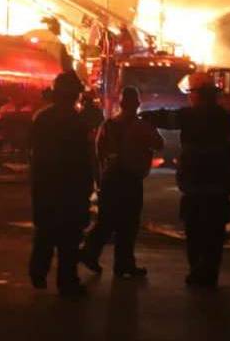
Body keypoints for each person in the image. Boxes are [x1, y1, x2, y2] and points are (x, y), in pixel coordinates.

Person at [143, 72, 230, 288]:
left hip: (195, 185)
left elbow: (166, 118)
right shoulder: (225, 118)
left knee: (195, 232)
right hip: (219, 187)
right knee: (214, 234)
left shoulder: (190, 116)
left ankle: (197, 272)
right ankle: (209, 274)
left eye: (191, 93)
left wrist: (142, 114)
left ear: (198, 95)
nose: (189, 97)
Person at [81, 86, 163, 278]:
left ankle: (90, 253)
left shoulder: (108, 125)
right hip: (130, 180)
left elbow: (98, 153)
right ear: (137, 104)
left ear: (121, 103)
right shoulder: (141, 126)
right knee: (128, 224)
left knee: (106, 221)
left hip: (110, 179)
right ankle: (123, 264)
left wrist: (100, 178)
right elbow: (159, 144)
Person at [28, 71, 95, 297]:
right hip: (71, 188)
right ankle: (67, 281)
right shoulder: (78, 122)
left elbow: (34, 153)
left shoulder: (42, 118)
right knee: (69, 238)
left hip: (46, 185)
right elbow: (85, 159)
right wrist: (89, 185)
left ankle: (38, 270)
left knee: (46, 231)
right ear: (75, 95)